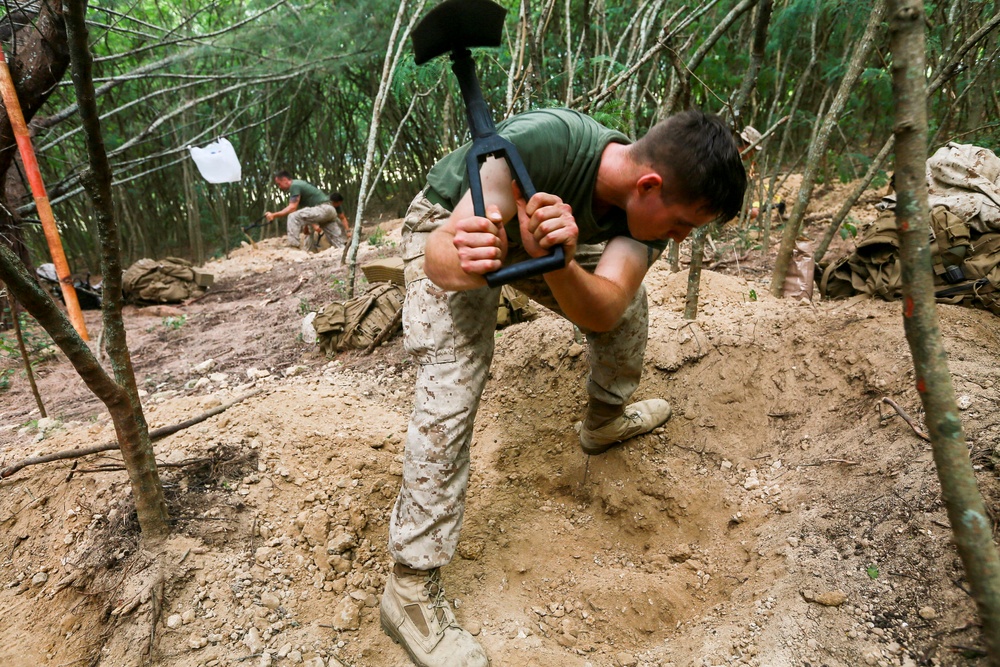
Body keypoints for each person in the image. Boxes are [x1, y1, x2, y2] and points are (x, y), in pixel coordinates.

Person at [380, 108, 746, 667]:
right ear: (650, 185)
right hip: (451, 227)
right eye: (682, 224)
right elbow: (442, 255)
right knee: (454, 374)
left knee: (629, 311)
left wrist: (557, 261)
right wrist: (468, 256)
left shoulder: (641, 217)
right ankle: (409, 588)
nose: (679, 237)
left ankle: (602, 422)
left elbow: (603, 309)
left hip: (542, 244)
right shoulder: (544, 143)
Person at [264, 171, 346, 248]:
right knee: (338, 244)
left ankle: (293, 247)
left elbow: (292, 208)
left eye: (279, 184)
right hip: (329, 211)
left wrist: (273, 215)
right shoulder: (300, 185)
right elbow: (309, 211)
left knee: (293, 216)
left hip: (323, 209)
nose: (279, 187)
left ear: (285, 180)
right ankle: (344, 251)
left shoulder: (295, 185)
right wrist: (306, 226)